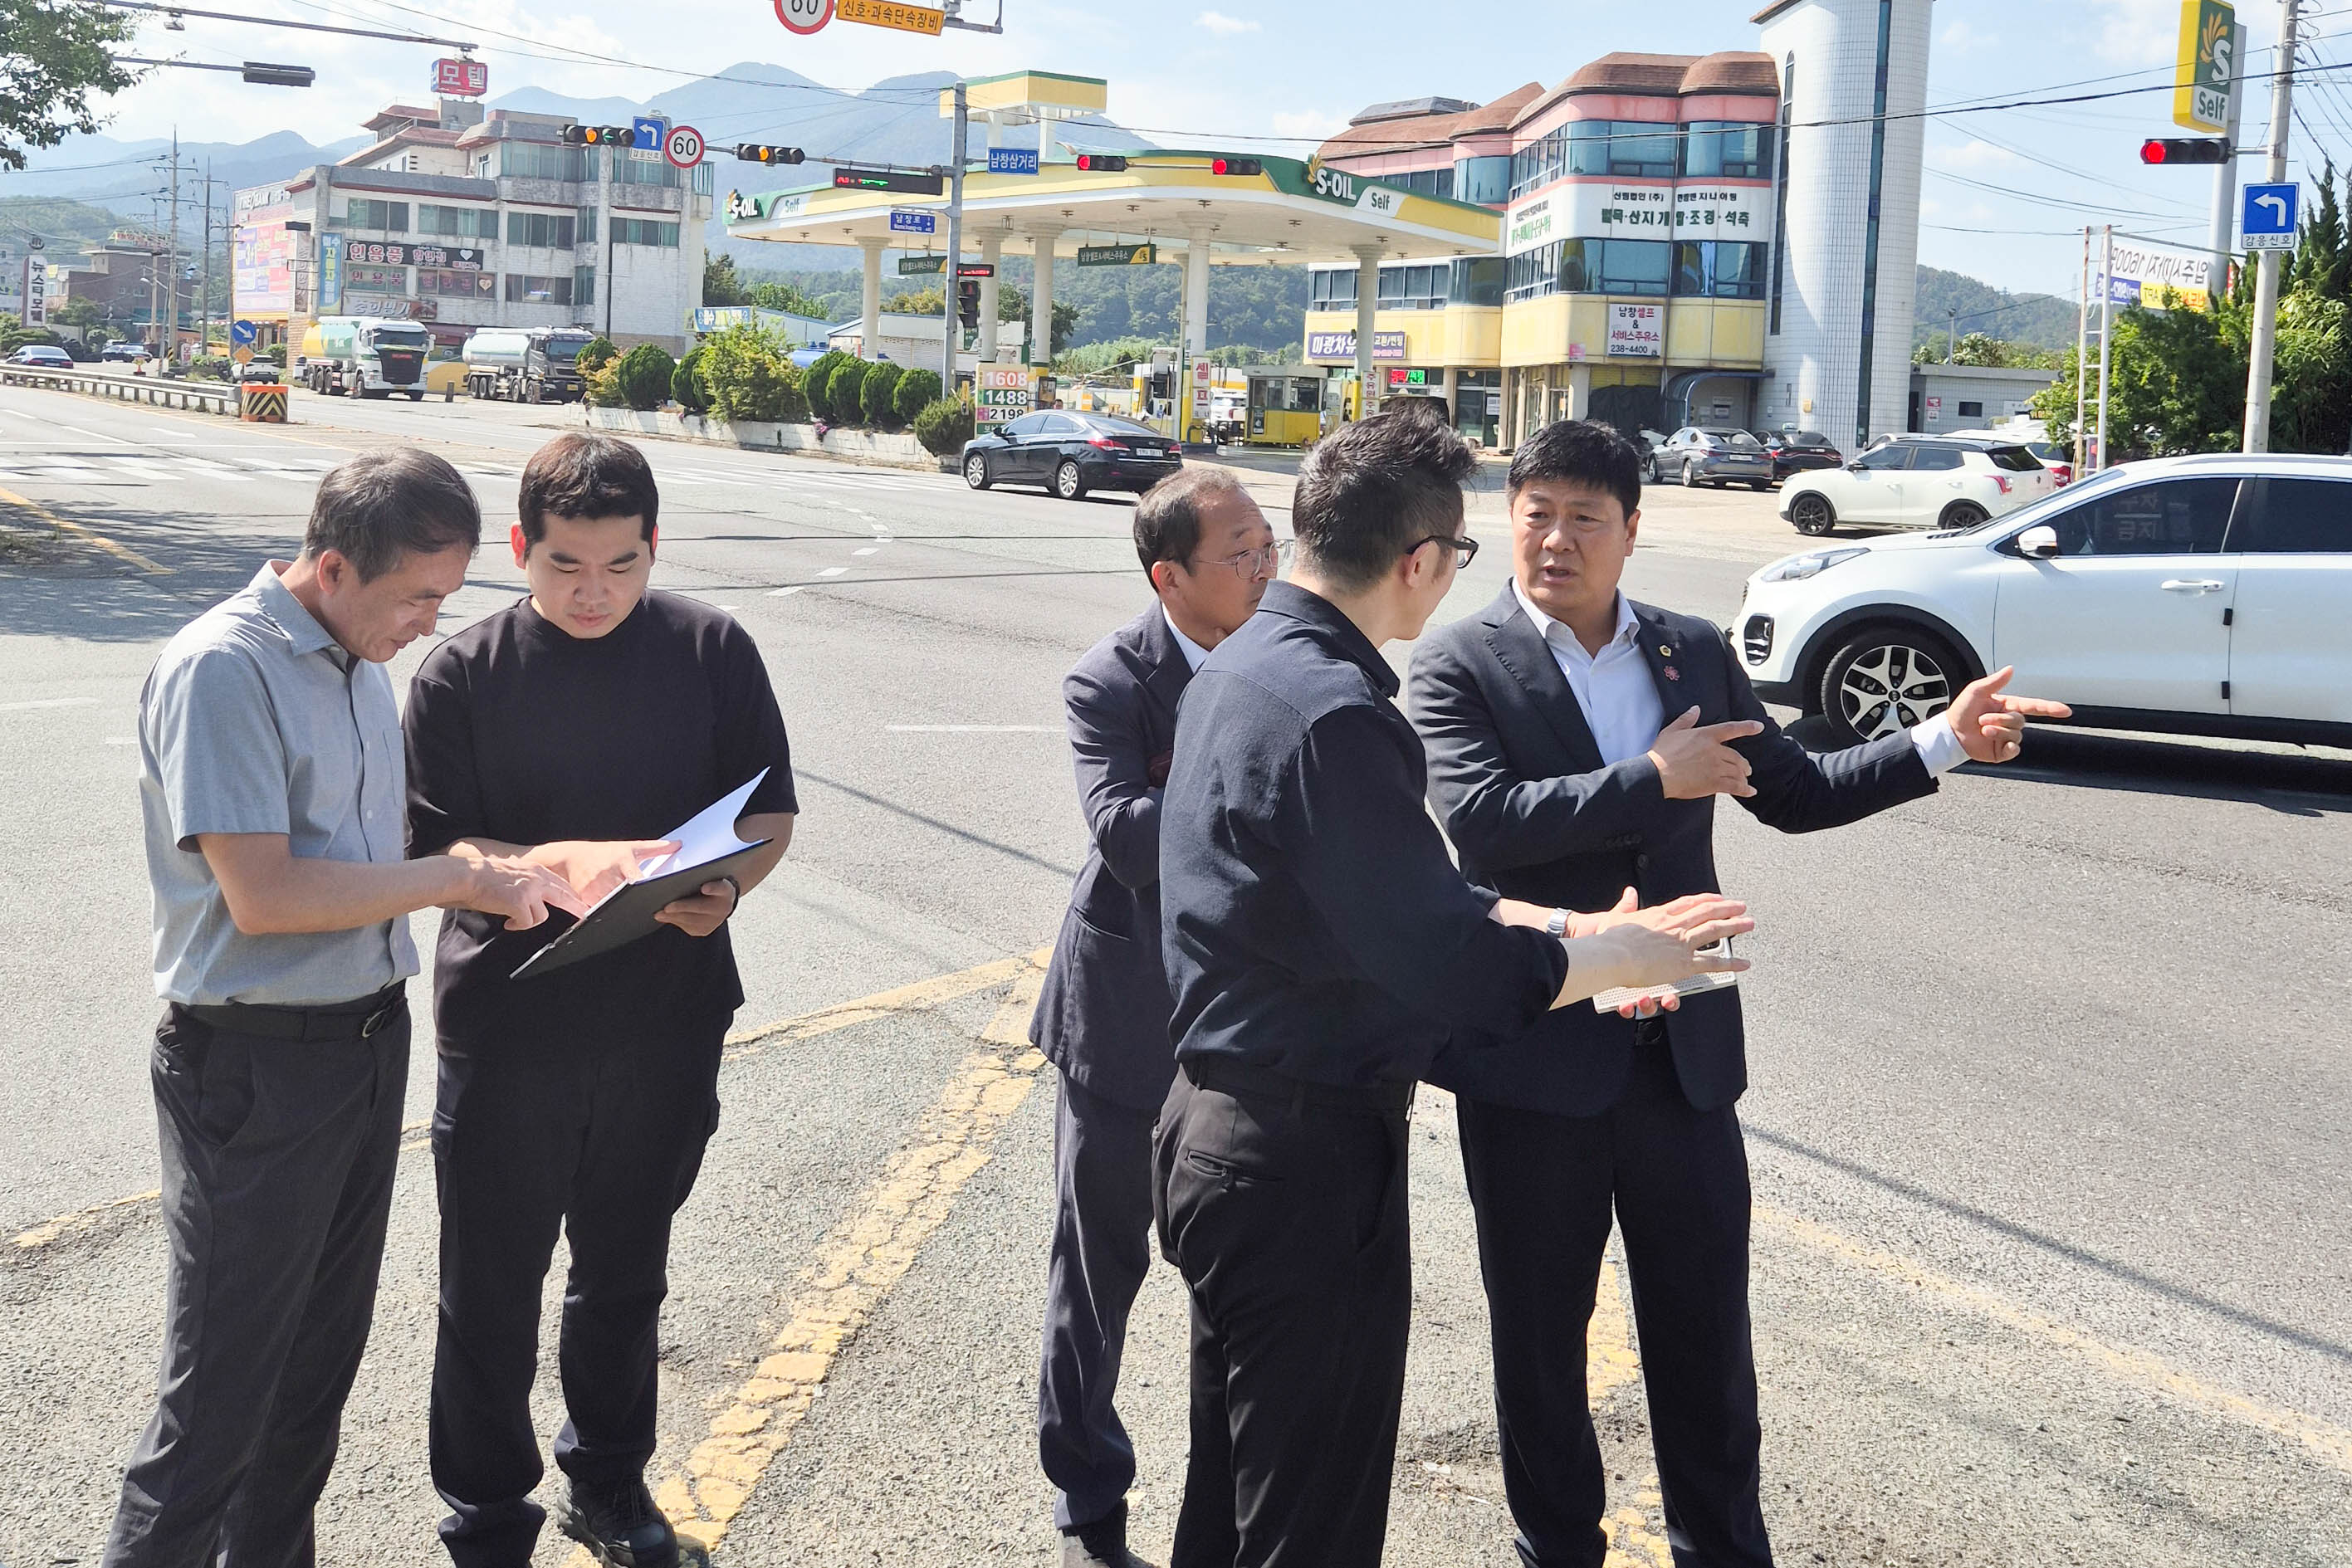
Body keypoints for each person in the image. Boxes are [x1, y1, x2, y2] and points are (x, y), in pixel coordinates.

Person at [1406, 419, 2070, 1568]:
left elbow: (1794, 791)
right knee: (1539, 1340)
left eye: (1583, 518)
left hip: (1683, 1064)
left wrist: (1941, 740)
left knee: (1705, 1339)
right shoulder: (1461, 662)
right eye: (1535, 514)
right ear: (1505, 520)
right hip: (1538, 1055)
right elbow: (1479, 820)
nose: (1555, 539)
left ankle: (1720, 1548)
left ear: (1629, 531)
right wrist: (1647, 779)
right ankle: (1555, 1547)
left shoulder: (1685, 650)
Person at [1152, 412, 1752, 1568]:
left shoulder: (1246, 667)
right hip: (1302, 1158)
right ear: (1421, 561)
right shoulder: (1338, 713)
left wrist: (1574, 921)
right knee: (1305, 1522)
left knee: (1234, 1498)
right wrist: (1614, 958)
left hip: (1225, 1129)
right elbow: (1440, 955)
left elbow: (1403, 902)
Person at [111, 450, 580, 1568]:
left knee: (308, 1387)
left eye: (446, 597)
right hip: (254, 1066)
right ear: (331, 565)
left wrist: (497, 860)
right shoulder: (227, 667)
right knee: (218, 1399)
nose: (429, 623)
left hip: (363, 1046)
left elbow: (369, 859)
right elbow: (265, 894)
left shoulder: (356, 657)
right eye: (417, 596)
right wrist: (455, 880)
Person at [402, 432, 798, 1568]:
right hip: (510, 1024)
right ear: (520, 548)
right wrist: (548, 867)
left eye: (621, 566)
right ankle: (484, 1511)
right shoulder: (462, 672)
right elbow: (439, 838)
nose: (593, 591)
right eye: (566, 564)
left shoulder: (711, 647)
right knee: (488, 1285)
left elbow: (766, 815)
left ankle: (610, 1484)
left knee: (625, 1271)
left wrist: (724, 887)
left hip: (667, 1014)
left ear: (652, 547)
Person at [1029, 468, 1277, 1568]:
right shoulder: (1109, 680)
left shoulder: (1286, 659)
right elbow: (1128, 837)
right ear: (1167, 576)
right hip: (1124, 1025)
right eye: (1239, 553)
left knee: (1240, 1282)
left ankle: (1224, 1520)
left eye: (1267, 543)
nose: (1265, 567)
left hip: (1252, 1031)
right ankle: (1089, 1503)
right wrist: (1252, 790)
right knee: (1097, 1276)